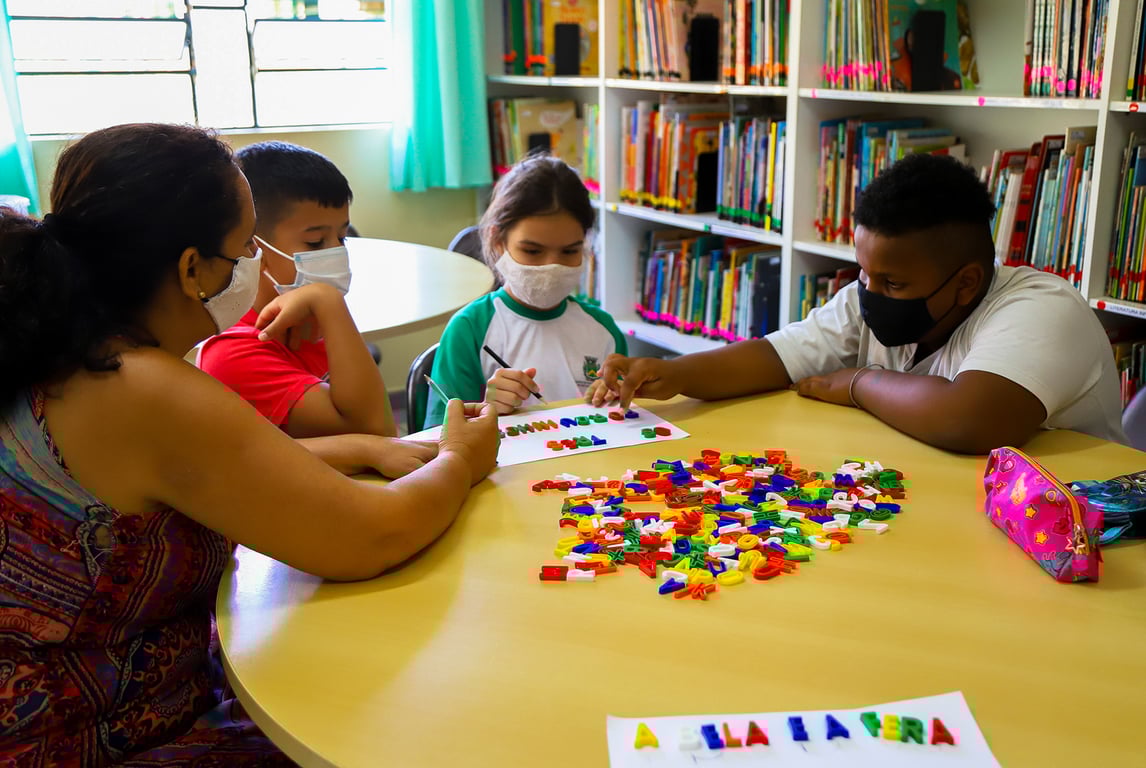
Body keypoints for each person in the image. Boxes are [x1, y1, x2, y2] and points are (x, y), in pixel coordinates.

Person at [0, 123, 499, 764]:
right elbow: (368, 538)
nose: (257, 264)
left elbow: (203, 476)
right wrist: (462, 458)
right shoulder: (143, 388)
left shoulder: (56, 344)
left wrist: (351, 451)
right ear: (191, 269)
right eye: (244, 246)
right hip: (97, 740)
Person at [588, 153, 1126, 454]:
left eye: (892, 285)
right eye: (864, 272)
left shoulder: (1041, 308)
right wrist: (672, 372)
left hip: (1074, 532)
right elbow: (775, 357)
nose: (869, 293)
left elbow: (971, 423)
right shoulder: (868, 293)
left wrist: (856, 382)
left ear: (966, 284)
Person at [198, 140, 397, 439]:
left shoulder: (311, 319)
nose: (335, 254)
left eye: (342, 238)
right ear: (252, 245)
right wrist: (329, 302)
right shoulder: (234, 354)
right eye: (315, 242)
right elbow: (377, 432)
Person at [423, 154, 626, 428]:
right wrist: (486, 409)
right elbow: (438, 439)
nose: (551, 266)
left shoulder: (604, 332)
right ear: (497, 241)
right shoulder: (470, 330)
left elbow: (625, 419)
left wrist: (615, 399)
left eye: (569, 251)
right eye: (532, 251)